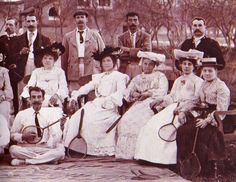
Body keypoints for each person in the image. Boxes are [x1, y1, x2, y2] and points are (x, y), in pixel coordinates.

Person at [134, 49, 203, 165]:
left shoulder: (198, 81)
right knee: (152, 124)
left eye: (189, 64)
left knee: (170, 128)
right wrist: (161, 99)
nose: (186, 67)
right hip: (173, 107)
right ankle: (150, 157)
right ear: (180, 65)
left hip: (188, 109)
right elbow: (172, 96)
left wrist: (183, 109)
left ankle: (165, 159)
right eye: (184, 64)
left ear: (194, 66)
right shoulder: (178, 80)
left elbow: (196, 100)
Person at [63, 47, 129, 156]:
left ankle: (93, 150)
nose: (106, 63)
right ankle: (74, 147)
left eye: (109, 61)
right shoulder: (99, 77)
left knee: (92, 121)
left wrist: (109, 100)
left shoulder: (119, 76)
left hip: (109, 106)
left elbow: (121, 92)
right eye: (104, 61)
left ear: (114, 62)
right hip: (96, 104)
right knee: (77, 117)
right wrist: (76, 95)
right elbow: (87, 87)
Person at [176, 58, 230, 178]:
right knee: (182, 130)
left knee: (200, 132)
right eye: (204, 71)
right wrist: (183, 111)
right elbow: (195, 101)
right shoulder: (203, 84)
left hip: (217, 119)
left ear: (216, 72)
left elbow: (221, 109)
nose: (207, 73)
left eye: (210, 71)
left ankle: (205, 169)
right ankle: (186, 163)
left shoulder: (221, 87)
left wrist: (207, 120)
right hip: (202, 116)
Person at [115, 51, 168, 159]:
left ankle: (141, 152)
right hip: (139, 103)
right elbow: (128, 91)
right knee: (126, 119)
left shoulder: (160, 76)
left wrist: (148, 93)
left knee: (141, 121)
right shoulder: (138, 78)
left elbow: (163, 91)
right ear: (141, 64)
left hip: (153, 103)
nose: (147, 66)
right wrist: (133, 93)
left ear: (154, 65)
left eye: (150, 64)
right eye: (145, 63)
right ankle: (127, 152)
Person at [10, 86, 65, 166]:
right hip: (25, 148)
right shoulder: (21, 114)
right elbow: (12, 135)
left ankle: (25, 161)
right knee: (13, 149)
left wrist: (61, 126)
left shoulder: (50, 115)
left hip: (43, 148)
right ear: (30, 99)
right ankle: (46, 160)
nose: (36, 100)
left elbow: (55, 136)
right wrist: (23, 136)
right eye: (33, 97)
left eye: (39, 97)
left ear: (43, 99)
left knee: (60, 151)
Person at [61, 9, 105, 91]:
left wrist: (103, 73)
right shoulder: (68, 37)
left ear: (86, 19)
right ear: (75, 20)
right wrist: (64, 76)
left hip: (91, 69)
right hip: (74, 68)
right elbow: (64, 57)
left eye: (82, 17)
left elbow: (103, 54)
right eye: (78, 17)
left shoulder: (95, 35)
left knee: (91, 94)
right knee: (75, 94)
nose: (80, 19)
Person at [14, 13, 51, 101]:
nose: (31, 24)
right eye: (28, 21)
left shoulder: (45, 40)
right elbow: (12, 57)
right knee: (22, 94)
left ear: (37, 22)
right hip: (22, 70)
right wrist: (20, 53)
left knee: (38, 93)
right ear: (25, 23)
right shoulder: (18, 39)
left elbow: (49, 57)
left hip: (38, 68)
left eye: (33, 21)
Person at [21, 43, 68, 107]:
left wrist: (57, 95)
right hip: (38, 100)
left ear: (54, 60)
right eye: (45, 58)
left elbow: (63, 87)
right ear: (42, 60)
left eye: (50, 58)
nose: (47, 60)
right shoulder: (36, 72)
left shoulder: (59, 72)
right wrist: (28, 97)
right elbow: (30, 86)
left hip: (54, 99)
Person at [118, 12, 152, 79]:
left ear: (138, 22)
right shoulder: (121, 37)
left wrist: (128, 50)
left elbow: (147, 51)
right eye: (130, 20)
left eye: (135, 20)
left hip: (141, 67)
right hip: (125, 68)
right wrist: (139, 52)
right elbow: (120, 54)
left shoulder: (146, 36)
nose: (133, 22)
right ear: (127, 22)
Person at [0, 18, 19, 114]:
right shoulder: (1, 39)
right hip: (3, 72)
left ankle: (16, 113)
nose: (8, 27)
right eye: (7, 24)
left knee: (15, 93)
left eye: (11, 25)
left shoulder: (19, 40)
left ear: (16, 26)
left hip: (15, 72)